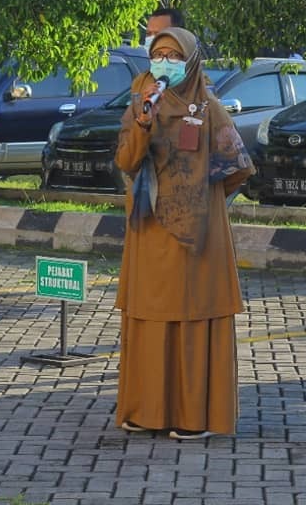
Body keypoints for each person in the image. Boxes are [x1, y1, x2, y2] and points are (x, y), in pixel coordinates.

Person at [113, 26, 255, 440]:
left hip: (197, 238)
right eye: (159, 55)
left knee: (194, 316)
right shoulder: (141, 104)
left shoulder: (209, 109)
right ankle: (146, 411)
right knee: (150, 318)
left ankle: (196, 417)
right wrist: (142, 125)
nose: (165, 64)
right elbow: (125, 160)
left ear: (191, 63)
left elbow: (239, 167)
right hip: (149, 229)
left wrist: (203, 199)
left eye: (174, 57)